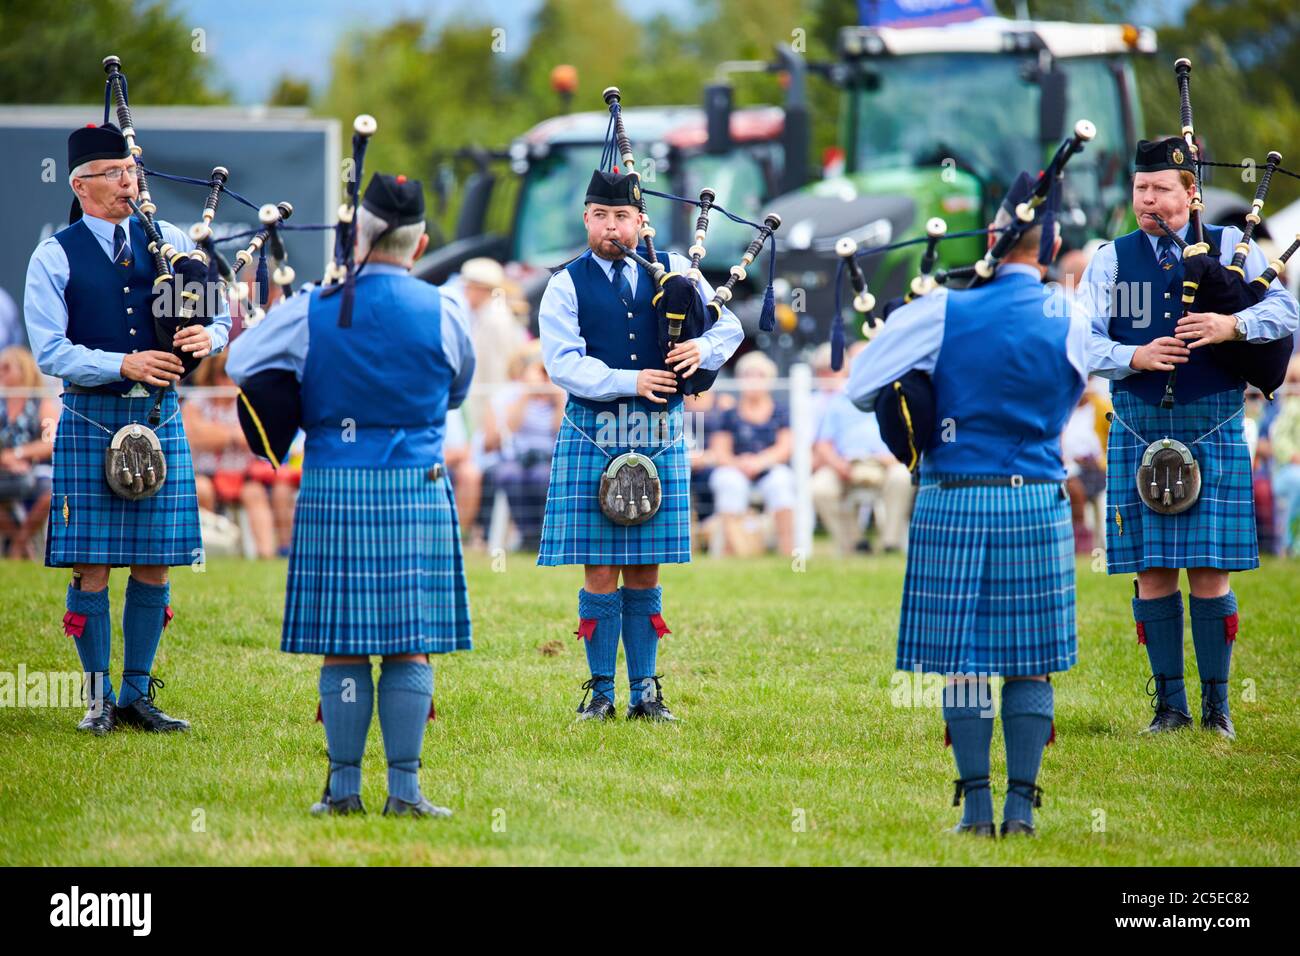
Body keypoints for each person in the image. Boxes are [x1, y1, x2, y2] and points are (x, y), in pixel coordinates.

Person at [848, 170, 1089, 838]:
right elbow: (1105, 374)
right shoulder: (1072, 313)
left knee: (963, 656)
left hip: (952, 497)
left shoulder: (942, 309)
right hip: (1036, 497)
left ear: (991, 237)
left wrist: (926, 381)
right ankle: (1023, 809)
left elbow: (862, 386)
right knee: (1029, 657)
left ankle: (975, 811)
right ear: (1054, 243)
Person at [227, 172, 475, 817]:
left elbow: (239, 362)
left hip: (334, 481)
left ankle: (341, 792)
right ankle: (406, 792)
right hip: (417, 483)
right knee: (409, 642)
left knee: (343, 641)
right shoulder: (446, 309)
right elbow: (457, 389)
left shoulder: (314, 305)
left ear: (355, 237)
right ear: (419, 246)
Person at [1079, 137, 1300, 739]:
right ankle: (1169, 708)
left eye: (1160, 190)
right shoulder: (1112, 259)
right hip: (1137, 422)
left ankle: (1217, 708)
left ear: (1190, 193)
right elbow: (1081, 342)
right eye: (1140, 188)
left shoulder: (1233, 247)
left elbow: (1287, 314)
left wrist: (1233, 324)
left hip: (1215, 419)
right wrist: (1134, 354)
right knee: (1152, 570)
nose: (1148, 200)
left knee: (1209, 570)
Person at [23, 122, 230, 734]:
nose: (128, 182)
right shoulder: (55, 254)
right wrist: (122, 363)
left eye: (131, 171)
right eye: (114, 174)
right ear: (81, 185)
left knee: (155, 562)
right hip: (93, 413)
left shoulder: (167, 239)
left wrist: (205, 334)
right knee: (92, 564)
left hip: (157, 414)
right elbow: (50, 350)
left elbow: (218, 316)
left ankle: (137, 695)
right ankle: (97, 698)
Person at [537, 166, 742, 721]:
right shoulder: (565, 283)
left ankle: (645, 693)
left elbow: (732, 328)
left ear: (640, 220)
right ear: (586, 218)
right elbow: (562, 363)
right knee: (600, 569)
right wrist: (630, 381)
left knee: (647, 567)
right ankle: (600, 692)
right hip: (594, 432)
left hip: (657, 433)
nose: (611, 227)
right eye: (600, 216)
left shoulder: (676, 268)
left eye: (621, 216)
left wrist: (701, 349)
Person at [183, 352, 293, 558]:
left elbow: (256, 439)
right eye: (223, 374)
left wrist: (219, 434)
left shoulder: (246, 403)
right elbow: (194, 436)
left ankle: (266, 557)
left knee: (255, 494)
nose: (229, 380)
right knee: (201, 490)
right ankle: (207, 554)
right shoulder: (196, 401)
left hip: (242, 475)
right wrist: (233, 435)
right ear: (212, 376)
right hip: (206, 474)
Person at [812, 340, 913, 555]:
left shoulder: (897, 393)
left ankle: (890, 543)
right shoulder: (838, 399)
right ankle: (854, 544)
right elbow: (823, 444)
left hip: (886, 462)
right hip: (846, 463)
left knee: (902, 477)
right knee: (820, 488)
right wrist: (838, 464)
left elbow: (910, 435)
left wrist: (896, 456)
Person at [707, 351, 796, 556]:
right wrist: (740, 464)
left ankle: (787, 549)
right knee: (728, 481)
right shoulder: (729, 414)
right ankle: (733, 550)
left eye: (759, 375)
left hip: (770, 467)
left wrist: (759, 462)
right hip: (736, 468)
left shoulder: (780, 411)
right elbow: (720, 451)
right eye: (748, 375)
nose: (753, 381)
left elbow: (785, 448)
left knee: (781, 482)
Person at [0, 346, 57, 558]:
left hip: (36, 468)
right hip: (5, 470)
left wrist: (18, 454)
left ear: (24, 370)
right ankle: (19, 543)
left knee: (49, 493)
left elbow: (51, 441)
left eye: (6, 368)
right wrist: (5, 460)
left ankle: (19, 542)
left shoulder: (43, 403)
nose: (1, 373)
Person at [1268, 356, 1300, 555]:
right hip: (1287, 470)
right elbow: (1278, 440)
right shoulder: (1291, 406)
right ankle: (1289, 544)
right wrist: (1294, 456)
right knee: (1298, 480)